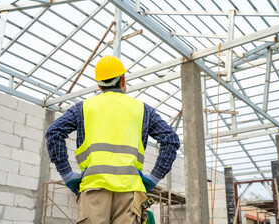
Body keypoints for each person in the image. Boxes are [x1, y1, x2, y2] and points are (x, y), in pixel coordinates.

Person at [46, 55, 180, 224]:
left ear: (99, 84)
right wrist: (154, 177)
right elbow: (170, 139)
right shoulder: (143, 110)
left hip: (93, 190)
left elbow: (54, 132)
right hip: (130, 194)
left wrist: (67, 175)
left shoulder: (83, 108)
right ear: (123, 80)